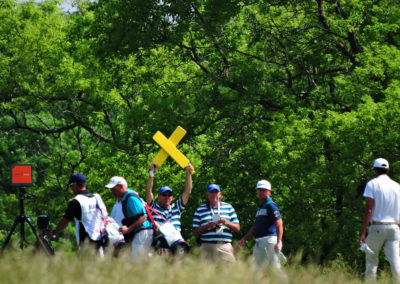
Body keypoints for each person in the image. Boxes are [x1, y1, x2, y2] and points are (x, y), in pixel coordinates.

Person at [359, 158, 400, 281]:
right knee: (396, 262)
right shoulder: (397, 186)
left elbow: (369, 210)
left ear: (375, 170)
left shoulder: (372, 184)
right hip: (394, 227)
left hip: (377, 227)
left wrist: (363, 232)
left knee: (371, 261)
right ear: (387, 170)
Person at [51, 173, 107, 256]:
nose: (71, 189)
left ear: (75, 185)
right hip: (101, 238)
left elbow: (65, 221)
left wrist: (54, 231)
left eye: (71, 186)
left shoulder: (76, 201)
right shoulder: (96, 197)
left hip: (86, 239)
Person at [239, 180, 284, 270]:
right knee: (255, 269)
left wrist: (279, 241)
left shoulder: (271, 205)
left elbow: (279, 223)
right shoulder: (260, 207)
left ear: (269, 192)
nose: (260, 192)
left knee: (274, 269)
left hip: (269, 240)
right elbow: (255, 226)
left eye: (263, 190)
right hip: (259, 242)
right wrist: (244, 238)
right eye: (259, 190)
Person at [105, 176, 153, 260]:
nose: (112, 191)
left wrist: (128, 229)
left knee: (136, 262)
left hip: (143, 231)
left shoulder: (131, 198)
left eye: (113, 189)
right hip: (141, 232)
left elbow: (143, 217)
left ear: (121, 187)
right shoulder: (126, 197)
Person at [192, 184, 240, 263]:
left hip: (224, 246)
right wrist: (206, 226)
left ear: (220, 194)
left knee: (231, 272)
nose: (214, 195)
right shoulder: (200, 209)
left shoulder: (228, 207)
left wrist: (226, 222)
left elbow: (237, 228)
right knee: (207, 274)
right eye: (211, 192)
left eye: (216, 192)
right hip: (206, 246)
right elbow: (195, 232)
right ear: (207, 194)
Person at [145, 163, 194, 230]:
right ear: (159, 197)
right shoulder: (153, 207)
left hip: (175, 238)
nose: (167, 197)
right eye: (164, 195)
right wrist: (151, 173)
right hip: (160, 238)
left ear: (172, 197)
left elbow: (188, 192)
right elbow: (148, 191)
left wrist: (189, 173)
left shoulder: (177, 207)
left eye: (169, 195)